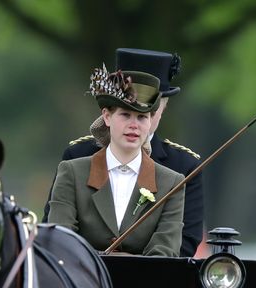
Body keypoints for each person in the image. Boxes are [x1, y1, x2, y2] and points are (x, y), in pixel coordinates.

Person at [45, 49, 204, 258]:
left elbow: (172, 250)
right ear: (107, 116)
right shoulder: (75, 164)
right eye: (125, 114)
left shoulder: (175, 177)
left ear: (159, 110)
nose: (133, 125)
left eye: (142, 116)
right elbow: (58, 237)